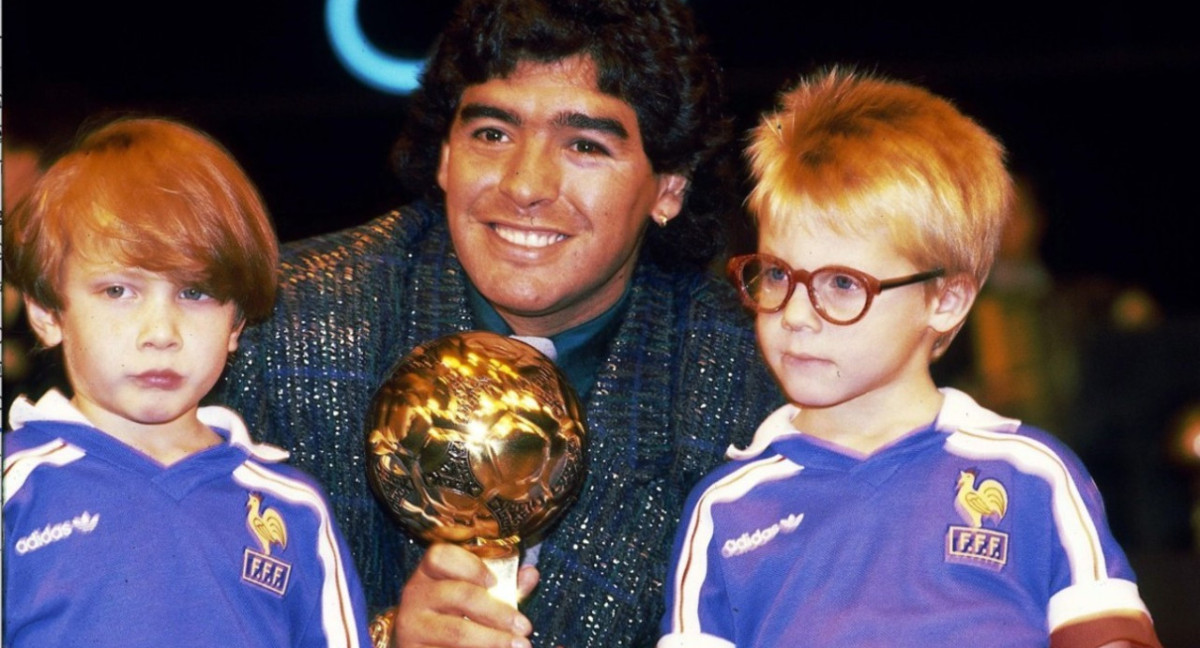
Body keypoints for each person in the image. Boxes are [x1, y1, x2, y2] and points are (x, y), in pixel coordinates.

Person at [220, 0, 782, 646]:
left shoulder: (745, 377)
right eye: (492, 133)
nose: (524, 184)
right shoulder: (281, 324)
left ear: (668, 189)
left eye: (584, 145)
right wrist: (382, 637)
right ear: (443, 156)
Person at [659, 69, 1162, 647]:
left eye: (843, 283)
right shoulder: (726, 507)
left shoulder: (1032, 475)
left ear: (945, 300)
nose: (795, 313)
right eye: (777, 274)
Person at [3, 117, 371, 647]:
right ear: (47, 312)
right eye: (118, 291)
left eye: (194, 293)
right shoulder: (15, 487)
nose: (161, 333)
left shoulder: (293, 510)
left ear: (237, 322)